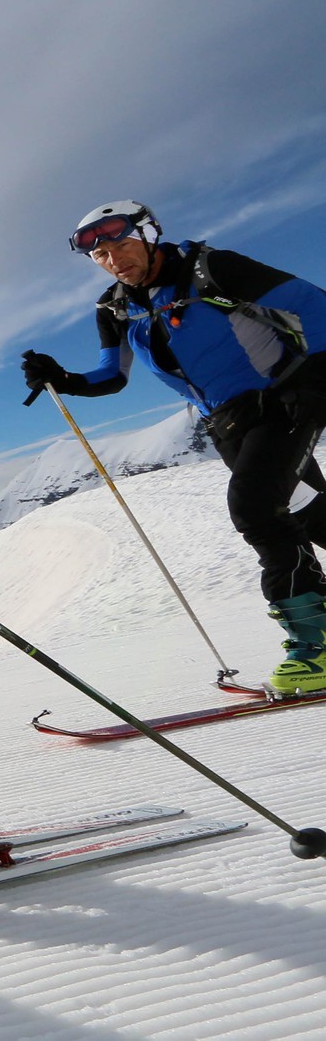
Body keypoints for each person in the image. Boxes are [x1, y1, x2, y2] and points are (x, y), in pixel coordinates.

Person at [23, 201, 326, 695]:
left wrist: (315, 381)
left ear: (148, 234)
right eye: (99, 254)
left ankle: (316, 646)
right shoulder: (114, 307)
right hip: (227, 422)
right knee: (308, 513)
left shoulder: (213, 268)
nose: (113, 259)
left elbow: (315, 306)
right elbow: (112, 376)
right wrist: (64, 379)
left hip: (283, 399)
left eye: (121, 244)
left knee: (256, 509)